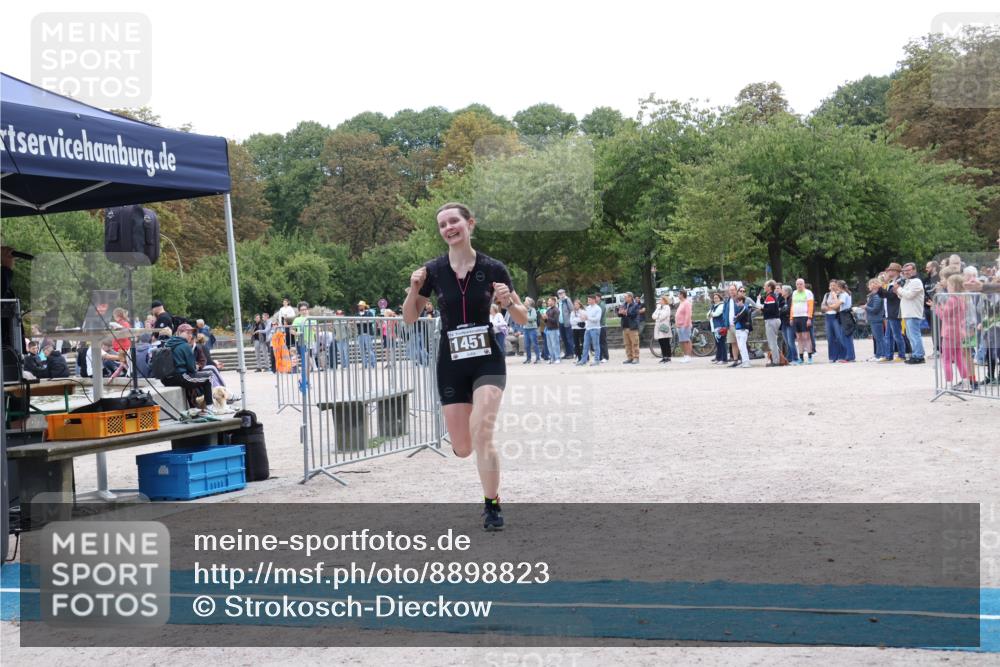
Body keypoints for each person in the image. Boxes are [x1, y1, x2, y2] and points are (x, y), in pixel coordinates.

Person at [402, 202, 527, 531]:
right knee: (463, 446)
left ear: (469, 223)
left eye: (454, 221)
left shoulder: (493, 268)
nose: (448, 228)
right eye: (442, 224)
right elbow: (410, 316)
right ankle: (468, 446)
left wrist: (507, 301)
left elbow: (522, 318)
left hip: (487, 357)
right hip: (451, 361)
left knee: (482, 431)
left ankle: (492, 505)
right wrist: (415, 289)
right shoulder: (433, 270)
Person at [160, 324, 215, 412]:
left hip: (166, 379)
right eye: (187, 332)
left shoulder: (168, 343)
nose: (190, 335)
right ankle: (210, 407)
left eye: (191, 333)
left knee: (192, 379)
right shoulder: (185, 346)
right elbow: (192, 368)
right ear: (179, 333)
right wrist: (196, 367)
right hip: (179, 377)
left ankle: (193, 408)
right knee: (208, 377)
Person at [897, 262, 926, 364]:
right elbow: (901, 296)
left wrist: (898, 289)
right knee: (910, 336)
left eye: (909, 270)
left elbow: (909, 295)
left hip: (913, 312)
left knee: (914, 335)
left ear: (914, 270)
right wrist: (899, 290)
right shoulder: (908, 282)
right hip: (908, 313)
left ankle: (918, 355)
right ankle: (917, 354)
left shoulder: (916, 281)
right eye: (904, 271)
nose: (906, 273)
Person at [878, 263, 907, 362]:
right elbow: (882, 295)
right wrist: (881, 285)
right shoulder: (890, 282)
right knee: (888, 336)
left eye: (890, 270)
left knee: (897, 335)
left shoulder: (900, 281)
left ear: (895, 271)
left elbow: (891, 296)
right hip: (889, 311)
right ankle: (888, 355)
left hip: (895, 311)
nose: (888, 272)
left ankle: (902, 355)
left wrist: (882, 285)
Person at [758, 280, 784, 367]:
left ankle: (776, 361)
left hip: (771, 320)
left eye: (765, 286)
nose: (764, 287)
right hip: (775, 320)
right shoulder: (771, 296)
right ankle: (780, 359)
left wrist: (761, 309)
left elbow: (770, 310)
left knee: (772, 342)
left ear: (769, 287)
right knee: (774, 342)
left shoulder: (770, 297)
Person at [790, 278, 814, 365]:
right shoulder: (794, 293)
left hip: (804, 317)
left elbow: (810, 306)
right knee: (799, 338)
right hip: (796, 317)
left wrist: (809, 318)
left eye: (801, 284)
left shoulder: (808, 293)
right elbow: (792, 306)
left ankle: (810, 357)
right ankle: (801, 358)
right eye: (797, 284)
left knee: (806, 337)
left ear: (804, 284)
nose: (799, 286)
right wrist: (791, 317)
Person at [618, 292, 643, 364]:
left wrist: (626, 313)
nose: (624, 298)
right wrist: (620, 312)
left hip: (632, 327)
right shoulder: (624, 305)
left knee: (635, 343)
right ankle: (630, 358)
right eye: (624, 297)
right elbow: (620, 315)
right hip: (625, 327)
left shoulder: (635, 305)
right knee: (627, 344)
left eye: (626, 297)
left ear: (630, 297)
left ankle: (636, 358)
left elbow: (634, 314)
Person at [577, 294, 602, 366]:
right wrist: (583, 319)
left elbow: (597, 319)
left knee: (596, 345)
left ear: (594, 300)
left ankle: (597, 360)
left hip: (595, 329)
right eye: (588, 300)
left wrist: (588, 318)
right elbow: (586, 318)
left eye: (589, 300)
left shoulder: (598, 308)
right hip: (588, 329)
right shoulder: (587, 308)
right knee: (585, 345)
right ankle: (583, 360)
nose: (588, 301)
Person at [865, 279, 887, 362]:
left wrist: (865, 307)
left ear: (875, 285)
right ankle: (878, 355)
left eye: (871, 284)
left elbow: (875, 309)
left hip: (877, 319)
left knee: (880, 338)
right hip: (874, 319)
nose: (869, 286)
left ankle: (883, 355)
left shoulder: (877, 296)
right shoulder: (872, 295)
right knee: (877, 338)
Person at [732, 291, 753, 368]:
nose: (736, 303)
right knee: (740, 347)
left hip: (743, 329)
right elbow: (736, 317)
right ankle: (744, 361)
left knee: (742, 346)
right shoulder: (740, 309)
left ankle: (746, 362)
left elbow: (737, 318)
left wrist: (735, 318)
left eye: (737, 301)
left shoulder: (744, 308)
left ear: (741, 301)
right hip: (738, 329)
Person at [778, 285, 797, 364]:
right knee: (786, 342)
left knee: (790, 341)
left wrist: (781, 311)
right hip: (784, 323)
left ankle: (795, 358)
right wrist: (782, 310)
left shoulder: (791, 300)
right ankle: (789, 358)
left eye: (782, 290)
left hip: (790, 323)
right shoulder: (783, 300)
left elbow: (788, 310)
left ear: (786, 292)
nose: (781, 291)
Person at [356, 300, 377, 368]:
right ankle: (364, 364)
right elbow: (357, 323)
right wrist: (364, 321)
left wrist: (361, 321)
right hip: (360, 334)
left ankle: (373, 364)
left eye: (361, 305)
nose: (359, 307)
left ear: (364, 306)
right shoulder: (357, 314)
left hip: (368, 333)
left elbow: (370, 322)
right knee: (361, 350)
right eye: (359, 306)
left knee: (369, 349)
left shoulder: (369, 313)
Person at [708, 292, 729, 365]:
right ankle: (719, 358)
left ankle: (724, 359)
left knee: (722, 343)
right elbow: (708, 315)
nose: (715, 299)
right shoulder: (713, 306)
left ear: (720, 298)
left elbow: (716, 314)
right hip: (714, 327)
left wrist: (711, 314)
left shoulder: (721, 305)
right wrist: (710, 314)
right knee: (718, 343)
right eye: (714, 298)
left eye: (717, 298)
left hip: (720, 326)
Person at [652, 294, 673, 364]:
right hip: (658, 326)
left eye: (661, 299)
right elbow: (653, 316)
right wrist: (658, 316)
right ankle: (664, 357)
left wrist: (657, 316)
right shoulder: (658, 307)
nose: (660, 301)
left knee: (666, 342)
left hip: (664, 326)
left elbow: (663, 316)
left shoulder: (667, 307)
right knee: (661, 342)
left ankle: (668, 357)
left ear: (664, 300)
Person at [674, 289, 693, 363]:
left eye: (679, 294)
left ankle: (688, 356)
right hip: (679, 325)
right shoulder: (681, 303)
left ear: (682, 295)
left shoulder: (687, 303)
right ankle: (685, 355)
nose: (678, 296)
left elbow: (688, 314)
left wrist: (685, 324)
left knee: (686, 341)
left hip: (685, 325)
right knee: (682, 341)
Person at [522, 297, 541, 364]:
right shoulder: (523, 309)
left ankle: (538, 358)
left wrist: (525, 317)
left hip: (532, 329)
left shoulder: (533, 310)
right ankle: (528, 358)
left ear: (529, 302)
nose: (524, 302)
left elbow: (533, 318)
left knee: (535, 344)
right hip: (525, 329)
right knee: (527, 345)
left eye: (526, 301)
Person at [556, 289, 575, 359]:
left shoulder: (567, 300)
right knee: (563, 339)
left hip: (567, 323)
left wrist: (571, 320)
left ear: (564, 293)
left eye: (561, 293)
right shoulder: (559, 302)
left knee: (569, 338)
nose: (560, 295)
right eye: (559, 294)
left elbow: (572, 310)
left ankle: (571, 353)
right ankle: (566, 353)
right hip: (560, 323)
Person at [543, 297, 562, 364]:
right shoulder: (548, 310)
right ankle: (552, 358)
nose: (548, 302)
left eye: (549, 301)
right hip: (548, 329)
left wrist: (548, 318)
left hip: (554, 329)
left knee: (555, 345)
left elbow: (555, 321)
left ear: (554, 302)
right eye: (548, 301)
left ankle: (557, 358)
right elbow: (546, 321)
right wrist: (545, 318)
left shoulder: (556, 310)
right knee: (549, 345)